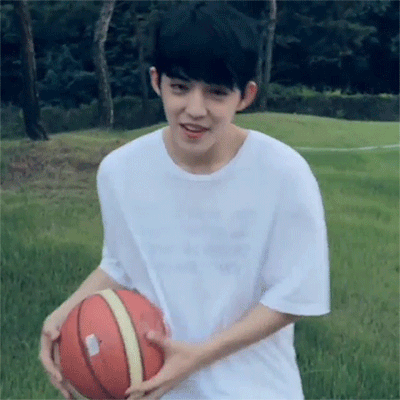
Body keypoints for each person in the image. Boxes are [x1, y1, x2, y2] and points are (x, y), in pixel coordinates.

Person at [39, 2, 330, 399]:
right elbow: (122, 264)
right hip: (155, 388)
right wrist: (63, 315)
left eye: (216, 93)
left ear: (245, 96)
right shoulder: (120, 172)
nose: (195, 109)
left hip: (255, 388)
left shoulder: (284, 174)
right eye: (180, 88)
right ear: (156, 81)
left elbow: (293, 297)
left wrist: (198, 357)